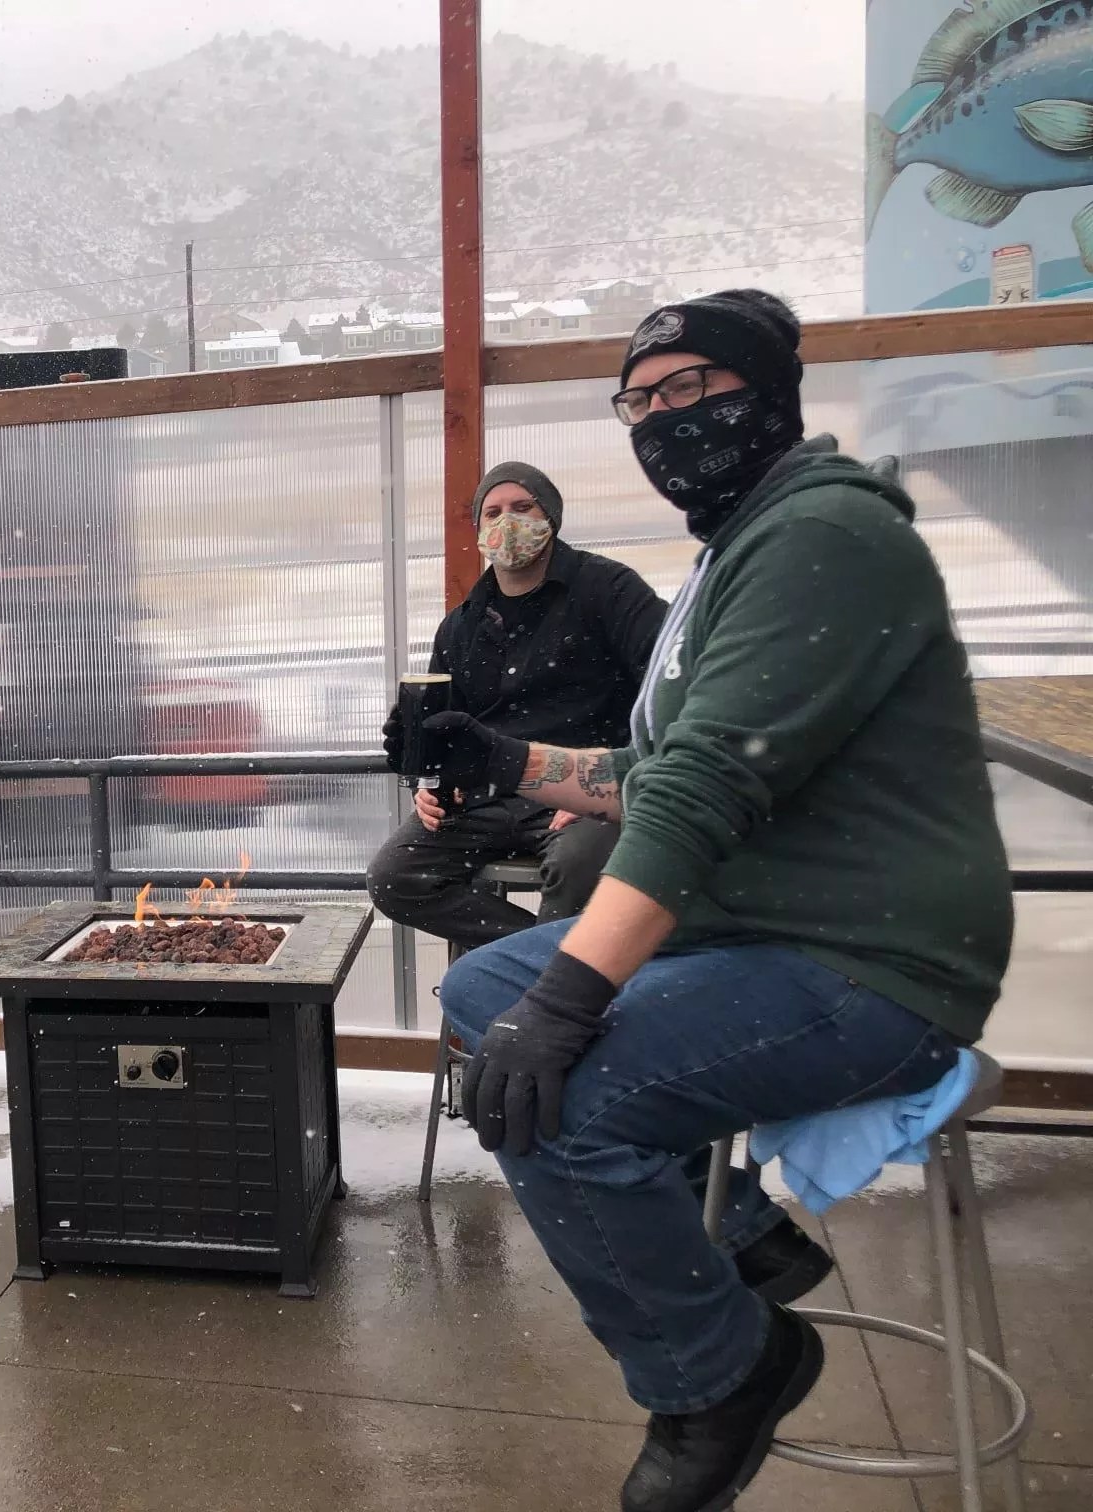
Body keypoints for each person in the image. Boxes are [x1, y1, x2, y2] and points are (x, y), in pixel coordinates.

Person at [424, 289, 1013, 1512]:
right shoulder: (738, 550)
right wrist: (501, 761)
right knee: (483, 987)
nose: (661, 421)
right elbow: (653, 769)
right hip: (768, 939)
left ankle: (722, 1373)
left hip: (870, 966)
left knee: (558, 1093)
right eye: (638, 401)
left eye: (689, 389)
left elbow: (702, 789)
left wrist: (570, 1003)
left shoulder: (822, 538)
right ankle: (745, 1238)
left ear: (767, 392)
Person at [370, 462, 665, 949]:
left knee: (579, 866)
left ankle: (555, 972)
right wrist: (431, 782)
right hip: (486, 795)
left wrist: (608, 780)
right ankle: (542, 960)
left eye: (523, 507)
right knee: (395, 878)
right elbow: (445, 726)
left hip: (579, 789)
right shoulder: (462, 625)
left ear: (551, 516)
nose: (507, 523)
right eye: (493, 513)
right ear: (478, 529)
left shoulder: (609, 590)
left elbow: (668, 685)